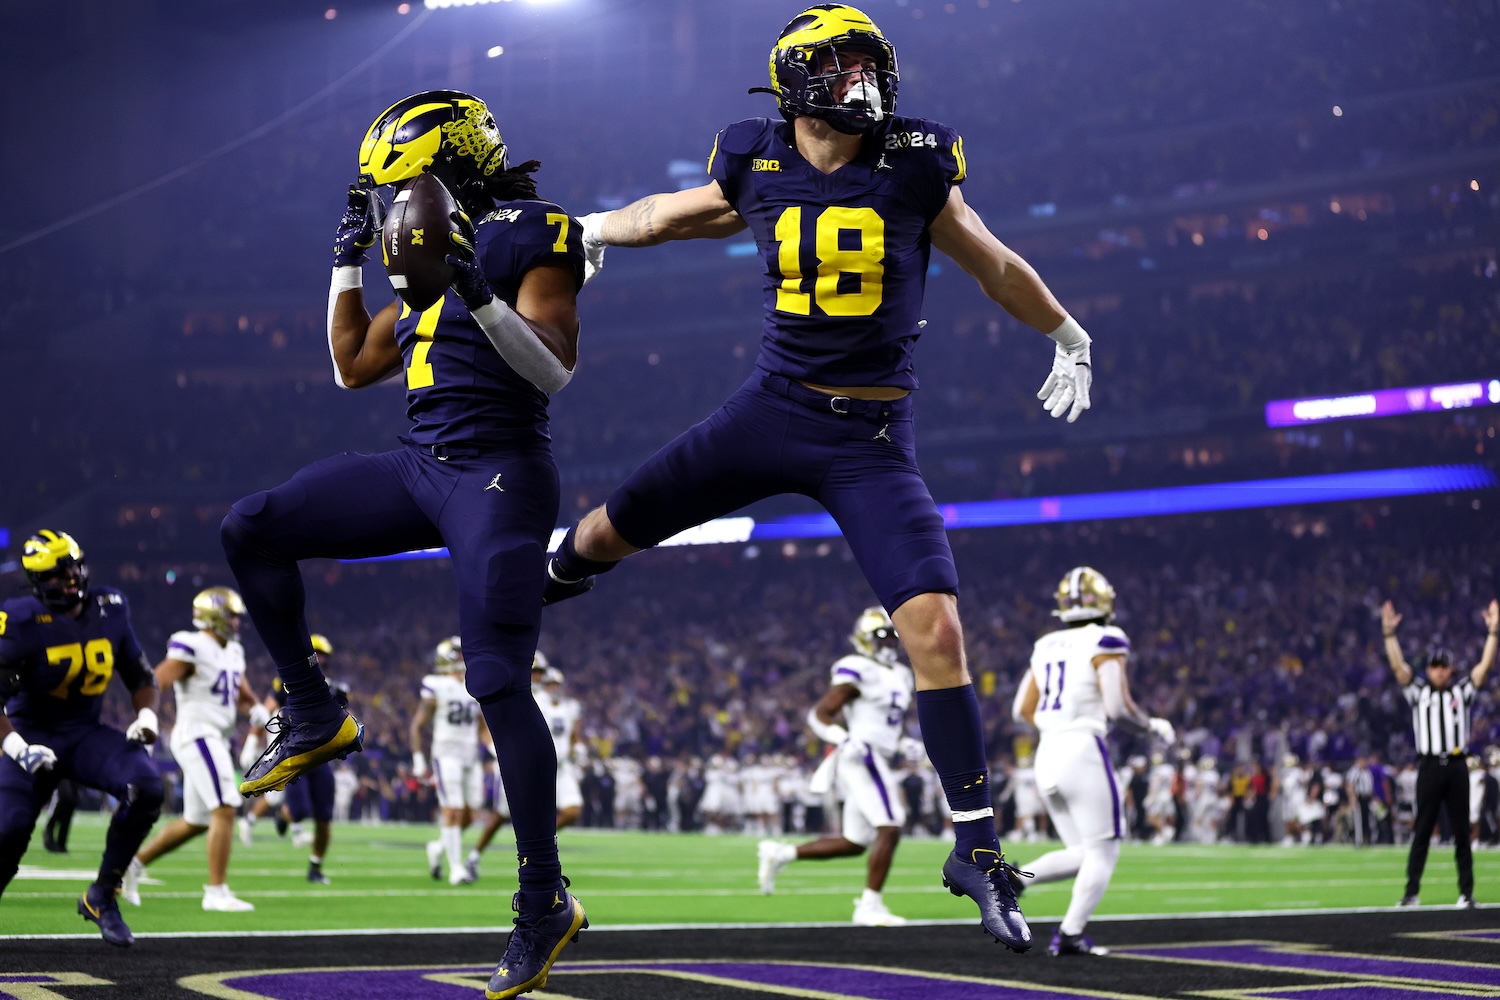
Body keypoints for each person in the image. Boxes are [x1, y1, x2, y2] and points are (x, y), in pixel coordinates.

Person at [541, 4, 1098, 950]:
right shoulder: (756, 160)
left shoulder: (915, 166)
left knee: (936, 628)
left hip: (872, 436)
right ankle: (541, 583)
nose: (868, 85)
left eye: (869, 67)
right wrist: (593, 226)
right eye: (847, 70)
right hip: (771, 410)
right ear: (801, 83)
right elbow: (673, 215)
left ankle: (978, 850)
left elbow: (994, 262)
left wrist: (1065, 331)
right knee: (609, 528)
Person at [218, 89, 586, 996]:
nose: (391, 205)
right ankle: (312, 708)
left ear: (453, 165)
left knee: (496, 678)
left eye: (401, 185)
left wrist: (474, 288)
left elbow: (555, 367)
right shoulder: (416, 256)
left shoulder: (536, 229)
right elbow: (351, 366)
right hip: (419, 462)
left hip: (498, 471)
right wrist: (345, 258)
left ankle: (543, 900)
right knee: (252, 526)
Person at [0, 530, 164, 946]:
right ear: (37, 581)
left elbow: (141, 675)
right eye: (56, 573)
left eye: (72, 566)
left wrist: (146, 714)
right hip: (30, 735)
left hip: (85, 733)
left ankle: (102, 896)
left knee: (146, 786)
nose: (70, 577)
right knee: (11, 828)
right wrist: (17, 746)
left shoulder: (110, 607)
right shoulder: (18, 621)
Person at [1011, 567, 1176, 956]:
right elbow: (1118, 707)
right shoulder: (1107, 637)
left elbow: (1022, 709)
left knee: (1083, 852)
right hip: (1081, 748)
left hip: (1047, 750)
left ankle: (1014, 878)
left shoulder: (1047, 644)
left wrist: (1057, 726)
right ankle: (1070, 934)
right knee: (1104, 850)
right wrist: (1152, 725)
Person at [757, 606, 917, 927]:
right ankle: (870, 906)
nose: (889, 644)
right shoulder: (857, 667)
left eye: (893, 638)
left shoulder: (901, 674)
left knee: (855, 843)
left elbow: (886, 723)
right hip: (860, 754)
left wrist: (901, 743)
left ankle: (781, 854)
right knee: (891, 824)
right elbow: (820, 714)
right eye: (882, 636)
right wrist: (843, 738)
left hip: (877, 753)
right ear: (865, 638)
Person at [123, 587, 264, 912]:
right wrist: (148, 716)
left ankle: (133, 864)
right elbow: (156, 679)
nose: (237, 623)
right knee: (227, 807)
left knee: (199, 820)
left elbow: (240, 691)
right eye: (232, 616)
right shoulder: (193, 644)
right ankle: (215, 892)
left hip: (214, 736)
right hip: (197, 733)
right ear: (215, 616)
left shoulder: (233, 650)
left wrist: (257, 711)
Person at [1384, 598, 1499, 907]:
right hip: (1431, 766)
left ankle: (1466, 893)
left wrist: (1494, 633)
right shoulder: (1419, 692)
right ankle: (1411, 892)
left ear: (1450, 668)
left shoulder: (1461, 692)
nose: (1437, 671)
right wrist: (1389, 635)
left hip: (1458, 765)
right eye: (1433, 666)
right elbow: (1398, 667)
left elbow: (1484, 668)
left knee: (1462, 831)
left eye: (1442, 666)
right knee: (1423, 829)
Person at [411, 636, 486, 885]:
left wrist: (494, 750)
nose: (464, 658)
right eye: (458, 654)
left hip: (470, 754)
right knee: (452, 809)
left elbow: (482, 726)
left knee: (470, 813)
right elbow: (418, 725)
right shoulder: (436, 684)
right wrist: (418, 758)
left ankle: (437, 847)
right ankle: (456, 868)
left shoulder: (474, 684)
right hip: (446, 753)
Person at [280, 637, 344, 884]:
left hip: (321, 758)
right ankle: (285, 816)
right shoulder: (288, 681)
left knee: (324, 817)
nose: (321, 658)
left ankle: (315, 866)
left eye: (324, 654)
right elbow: (272, 708)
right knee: (299, 811)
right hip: (296, 753)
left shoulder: (335, 688)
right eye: (317, 653)